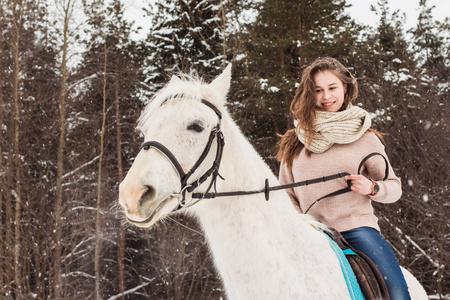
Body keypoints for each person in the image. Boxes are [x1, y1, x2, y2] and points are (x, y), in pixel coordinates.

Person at [277, 57, 411, 299]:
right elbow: (286, 193)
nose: (326, 96)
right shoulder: (295, 140)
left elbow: (394, 187)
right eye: (318, 90)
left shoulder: (365, 138)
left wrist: (372, 187)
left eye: (332, 88)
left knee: (396, 293)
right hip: (308, 233)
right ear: (310, 94)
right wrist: (301, 223)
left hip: (355, 229)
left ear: (345, 88)